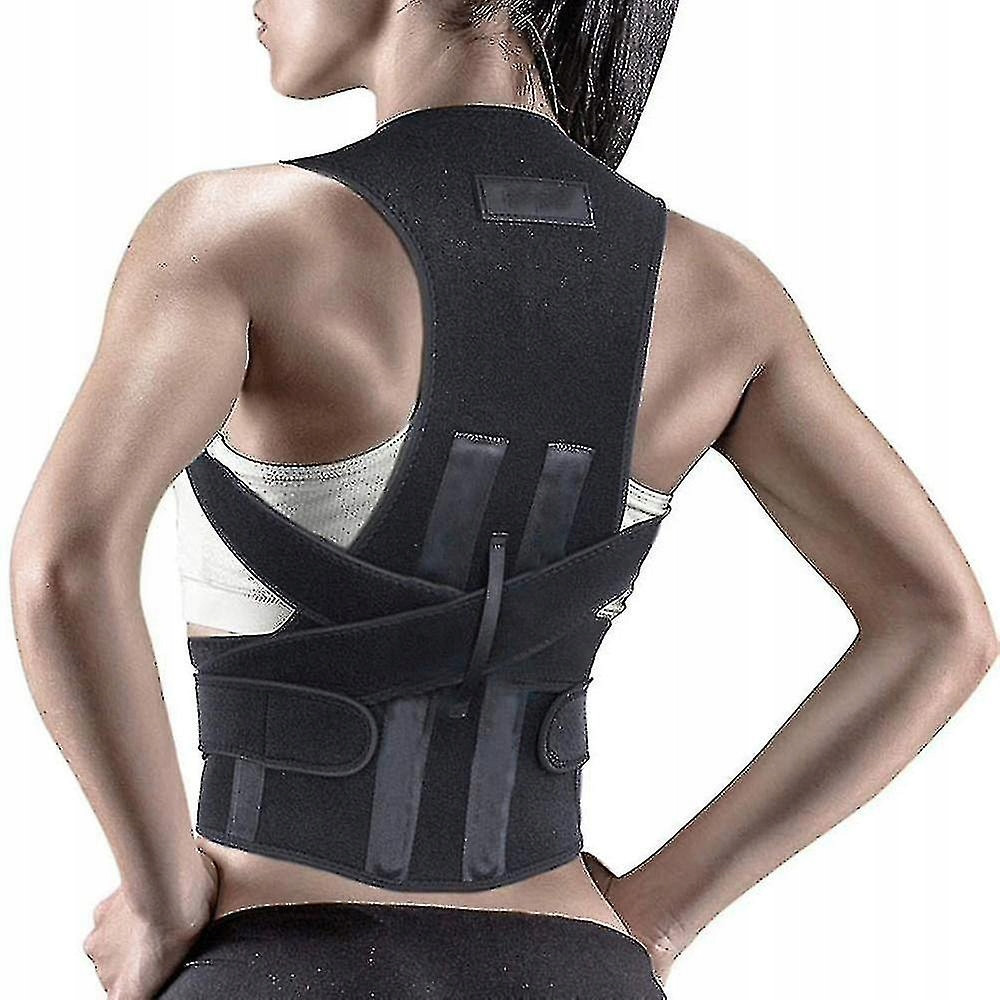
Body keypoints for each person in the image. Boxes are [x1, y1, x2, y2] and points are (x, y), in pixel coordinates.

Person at [9, 2, 997, 998]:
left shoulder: (239, 232)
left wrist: (162, 898)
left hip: (281, 960)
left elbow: (65, 562)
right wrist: (659, 919)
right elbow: (939, 622)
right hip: (577, 969)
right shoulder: (720, 292)